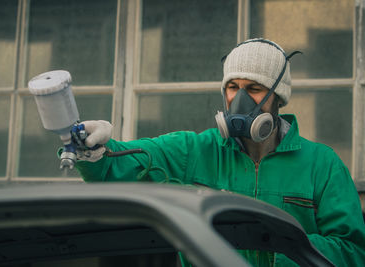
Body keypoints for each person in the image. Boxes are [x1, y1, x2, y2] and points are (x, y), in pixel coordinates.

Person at [71, 38, 365, 266]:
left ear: (280, 96)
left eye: (255, 88)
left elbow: (353, 252)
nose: (240, 99)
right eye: (233, 87)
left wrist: (279, 247)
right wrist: (97, 149)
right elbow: (123, 164)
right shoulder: (194, 151)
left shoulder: (322, 165)